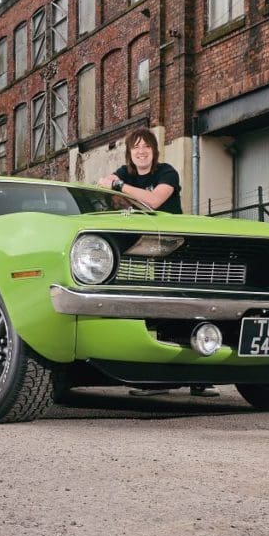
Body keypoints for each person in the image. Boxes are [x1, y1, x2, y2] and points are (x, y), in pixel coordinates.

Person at [98, 128, 218, 399]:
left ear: (154, 150)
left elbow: (154, 201)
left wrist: (117, 187)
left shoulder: (167, 172)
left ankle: (202, 378)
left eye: (146, 147)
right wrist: (111, 187)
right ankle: (158, 379)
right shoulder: (124, 173)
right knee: (157, 310)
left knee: (191, 308)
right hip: (146, 250)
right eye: (136, 147)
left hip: (178, 248)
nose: (141, 152)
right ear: (129, 152)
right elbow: (104, 189)